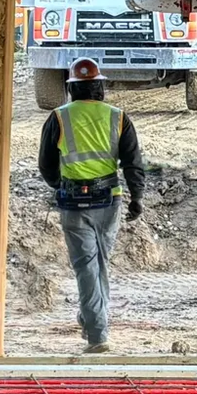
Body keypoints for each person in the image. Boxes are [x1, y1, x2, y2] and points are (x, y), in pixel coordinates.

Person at [38, 58, 144, 354]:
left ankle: (96, 331)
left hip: (73, 202)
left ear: (71, 89)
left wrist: (59, 185)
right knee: (98, 265)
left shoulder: (58, 118)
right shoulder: (118, 117)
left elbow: (46, 165)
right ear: (100, 88)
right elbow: (133, 163)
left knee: (88, 267)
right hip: (109, 202)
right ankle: (93, 322)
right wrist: (137, 198)